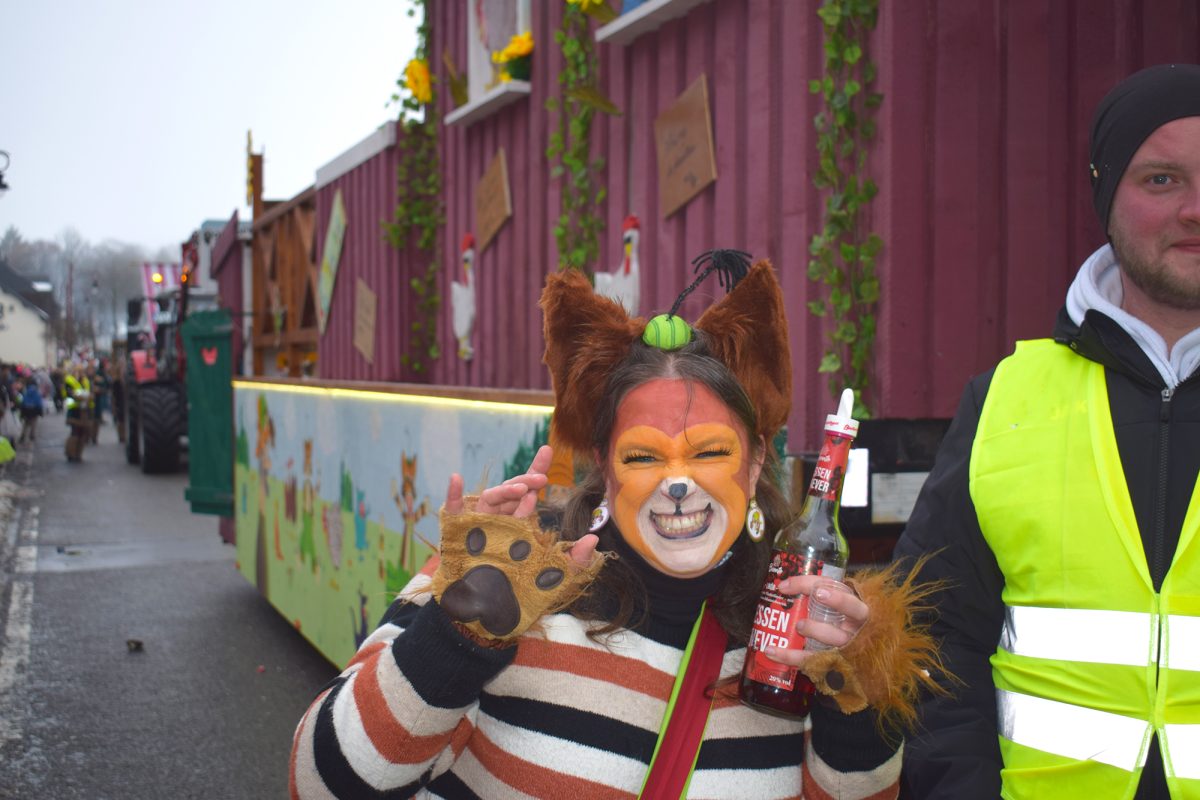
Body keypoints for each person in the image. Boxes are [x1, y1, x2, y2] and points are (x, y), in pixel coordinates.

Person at [290, 253, 940, 798]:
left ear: (757, 460)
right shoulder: (510, 581)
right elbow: (319, 783)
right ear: (604, 464)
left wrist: (857, 691)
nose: (677, 483)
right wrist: (455, 637)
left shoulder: (795, 639)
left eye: (710, 452)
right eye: (644, 456)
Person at [895, 63, 1200, 800]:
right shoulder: (1005, 401)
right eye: (1162, 180)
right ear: (1106, 196)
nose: (1195, 209)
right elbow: (933, 644)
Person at [17, 377, 44, 444]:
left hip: (26, 409)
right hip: (34, 410)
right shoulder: (37, 392)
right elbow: (39, 402)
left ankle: (23, 435)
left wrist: (22, 409)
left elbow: (23, 400)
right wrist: (41, 411)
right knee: (33, 423)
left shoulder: (26, 391)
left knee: (25, 423)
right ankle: (32, 435)